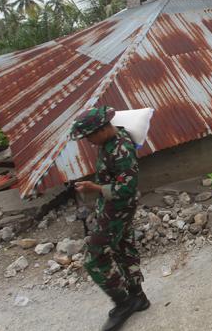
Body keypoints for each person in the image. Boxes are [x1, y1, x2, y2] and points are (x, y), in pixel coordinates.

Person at [71, 106, 148, 331]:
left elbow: (127, 188)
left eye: (89, 136)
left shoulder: (121, 150)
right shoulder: (110, 141)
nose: (88, 141)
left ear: (103, 129)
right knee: (123, 248)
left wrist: (94, 187)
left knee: (95, 259)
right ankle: (138, 297)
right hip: (112, 208)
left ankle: (124, 303)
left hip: (118, 210)